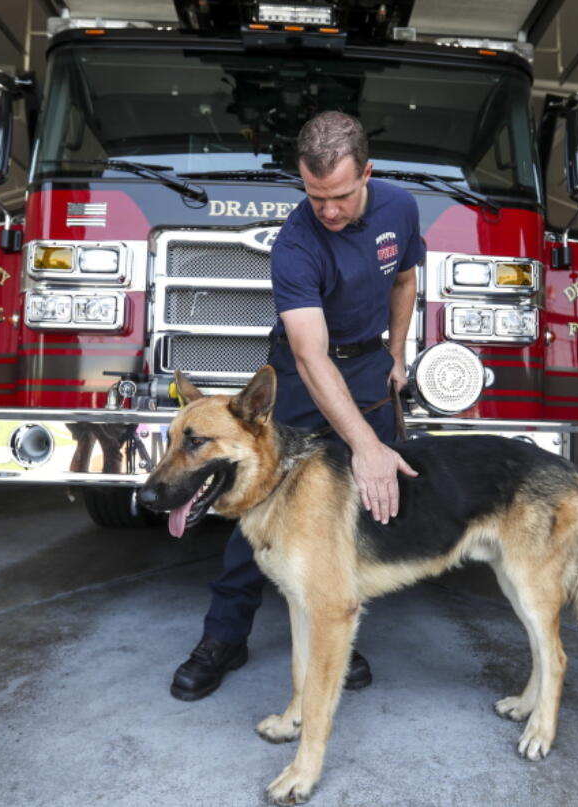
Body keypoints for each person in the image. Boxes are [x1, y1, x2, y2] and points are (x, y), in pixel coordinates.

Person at [171, 111, 423, 701]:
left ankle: (336, 624)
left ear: (367, 173)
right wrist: (364, 444)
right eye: (315, 197)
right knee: (259, 506)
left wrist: (397, 353)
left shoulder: (399, 208)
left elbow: (405, 280)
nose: (328, 211)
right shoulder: (295, 244)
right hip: (301, 376)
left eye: (339, 196)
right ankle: (224, 637)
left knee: (355, 509)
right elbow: (311, 359)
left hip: (368, 366)